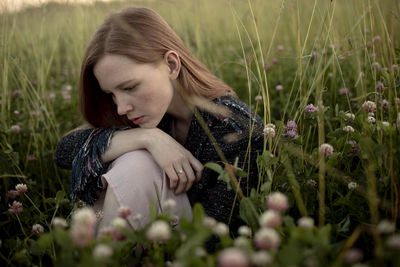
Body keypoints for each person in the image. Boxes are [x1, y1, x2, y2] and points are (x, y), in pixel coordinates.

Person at [54, 6, 265, 235]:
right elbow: (64, 150)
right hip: (147, 238)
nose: (121, 107)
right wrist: (148, 137)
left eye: (130, 87)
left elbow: (222, 234)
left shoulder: (234, 127)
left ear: (171, 65)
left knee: (136, 165)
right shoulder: (145, 119)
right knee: (135, 157)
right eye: (112, 94)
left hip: (194, 249)